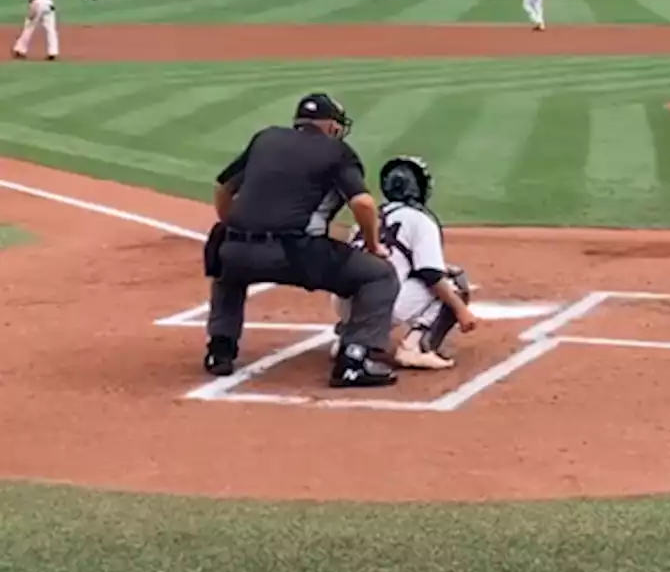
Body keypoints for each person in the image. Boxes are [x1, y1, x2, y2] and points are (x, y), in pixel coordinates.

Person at [202, 93, 402, 388]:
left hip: (237, 250)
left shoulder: (265, 139)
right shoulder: (337, 152)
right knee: (378, 275)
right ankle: (354, 360)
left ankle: (220, 350)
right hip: (294, 253)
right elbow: (363, 204)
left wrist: (231, 224)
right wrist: (373, 246)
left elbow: (223, 188)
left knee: (227, 268)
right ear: (331, 126)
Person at [331, 156, 480, 369]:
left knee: (375, 274)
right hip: (381, 306)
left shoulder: (370, 216)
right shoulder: (420, 220)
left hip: (342, 304)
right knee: (452, 280)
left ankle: (349, 340)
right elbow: (430, 273)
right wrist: (461, 310)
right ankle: (415, 347)